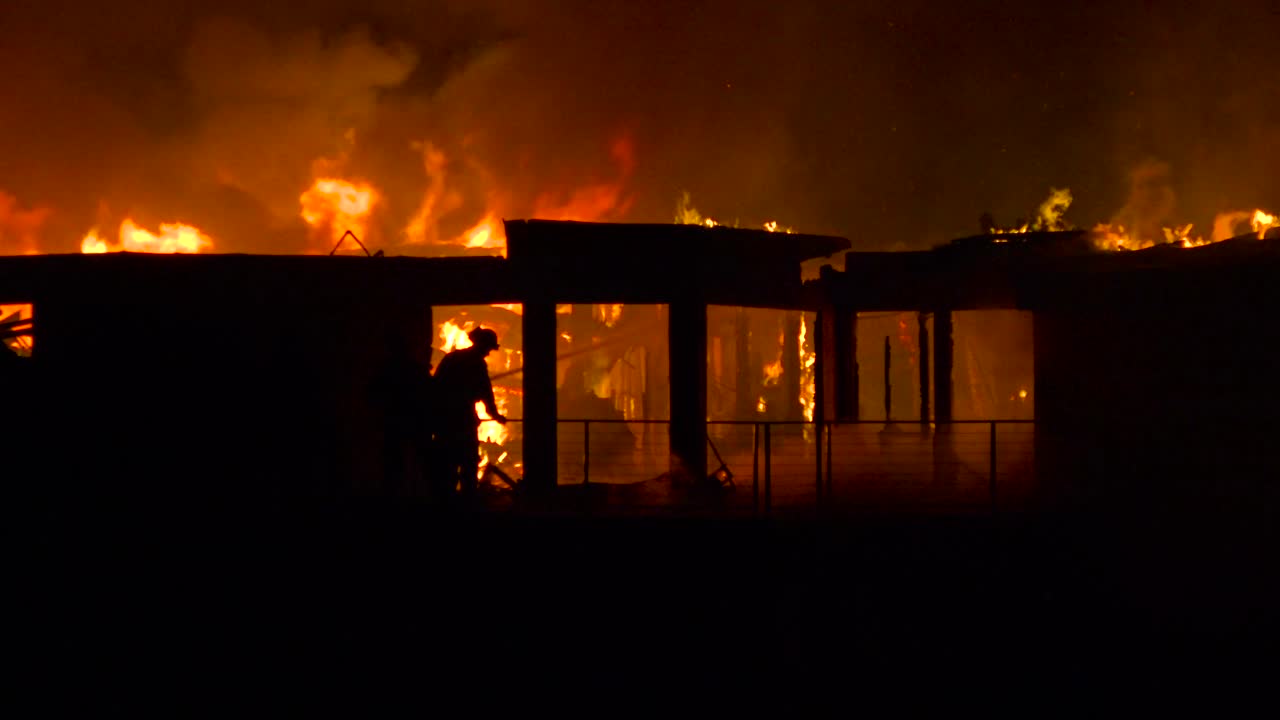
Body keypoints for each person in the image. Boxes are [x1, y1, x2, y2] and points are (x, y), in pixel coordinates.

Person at [432, 327, 506, 498]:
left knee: (446, 466)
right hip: (463, 421)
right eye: (488, 348)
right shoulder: (477, 364)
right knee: (468, 464)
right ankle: (467, 503)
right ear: (482, 345)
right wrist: (495, 415)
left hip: (443, 421)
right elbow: (486, 393)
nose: (488, 352)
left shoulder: (451, 358)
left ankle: (445, 501)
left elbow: (436, 386)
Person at [368, 331, 434, 497]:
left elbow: (372, 395)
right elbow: (430, 392)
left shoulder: (386, 370)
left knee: (394, 462)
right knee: (421, 460)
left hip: (394, 422)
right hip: (414, 422)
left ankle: (396, 495)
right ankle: (421, 495)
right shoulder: (415, 370)